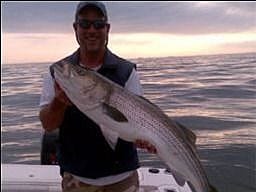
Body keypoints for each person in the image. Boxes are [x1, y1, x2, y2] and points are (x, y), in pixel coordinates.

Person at [39, 1, 156, 191]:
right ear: (75, 28)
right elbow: (48, 124)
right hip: (76, 180)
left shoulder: (127, 72)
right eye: (84, 24)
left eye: (98, 24)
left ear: (107, 29)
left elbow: (137, 122)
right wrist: (58, 103)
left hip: (123, 179)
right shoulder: (58, 72)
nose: (91, 30)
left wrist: (143, 138)